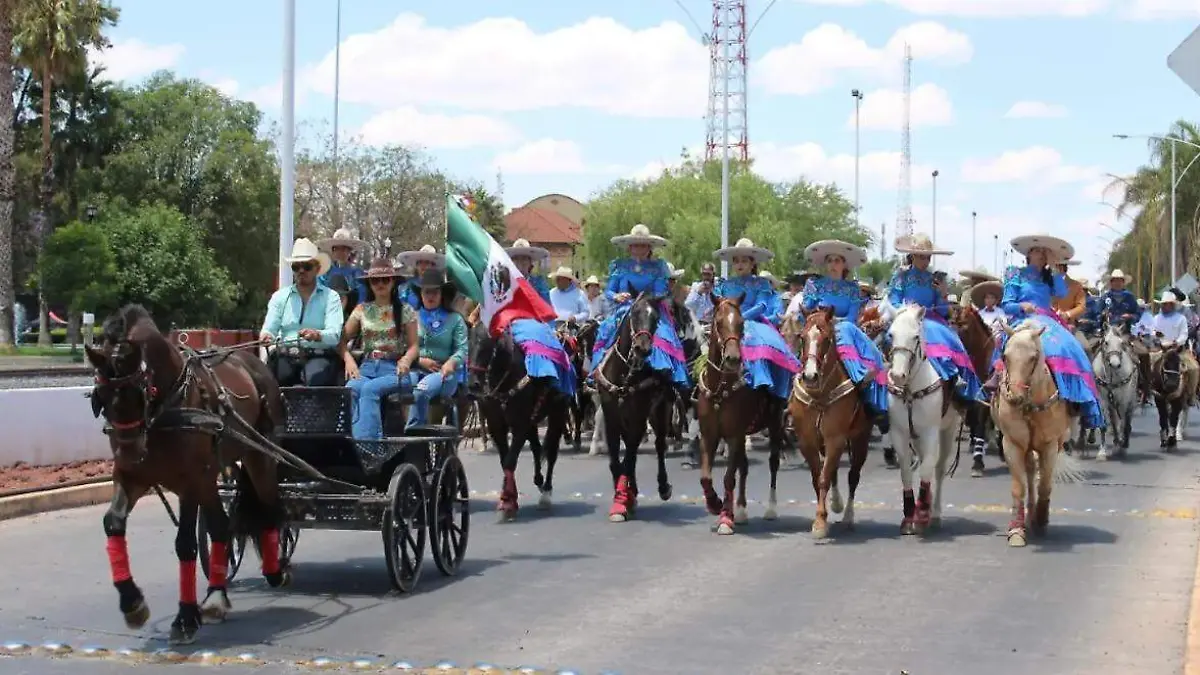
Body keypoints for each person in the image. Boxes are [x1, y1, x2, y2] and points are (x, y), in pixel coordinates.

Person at [982, 234, 1105, 431]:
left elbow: (1063, 294)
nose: (1042, 255)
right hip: (1022, 319)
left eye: (1045, 252)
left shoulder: (1049, 278)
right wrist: (1023, 306)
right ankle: (996, 380)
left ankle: (1076, 398)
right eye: (1039, 251)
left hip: (1048, 321)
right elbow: (1006, 305)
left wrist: (1055, 269)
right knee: (1006, 345)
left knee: (1070, 346)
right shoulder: (1016, 274)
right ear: (1029, 254)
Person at [885, 233, 985, 469]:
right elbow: (893, 299)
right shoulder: (900, 277)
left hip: (930, 320)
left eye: (928, 256)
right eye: (921, 256)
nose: (925, 260)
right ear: (912, 256)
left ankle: (957, 379)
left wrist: (941, 294)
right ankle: (881, 386)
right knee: (885, 341)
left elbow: (942, 309)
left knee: (951, 340)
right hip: (906, 319)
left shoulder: (936, 279)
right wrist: (907, 312)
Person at [799, 240, 889, 448]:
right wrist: (810, 302)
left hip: (843, 328)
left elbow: (850, 317)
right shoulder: (816, 285)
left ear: (844, 265)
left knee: (850, 333)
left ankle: (862, 380)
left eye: (837, 260)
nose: (833, 264)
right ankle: (792, 401)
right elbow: (807, 308)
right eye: (829, 260)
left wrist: (834, 323)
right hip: (818, 327)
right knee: (804, 344)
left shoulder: (851, 289)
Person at [591, 224, 691, 390]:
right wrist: (616, 296)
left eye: (643, 245)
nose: (639, 248)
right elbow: (609, 290)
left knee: (664, 332)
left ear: (649, 247)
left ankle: (666, 372)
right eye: (635, 244)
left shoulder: (658, 267)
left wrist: (645, 301)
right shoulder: (619, 266)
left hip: (651, 309)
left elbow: (661, 292)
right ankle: (598, 372)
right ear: (629, 247)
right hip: (624, 309)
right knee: (606, 329)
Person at [339, 259, 420, 440]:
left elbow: (414, 346)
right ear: (369, 284)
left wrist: (406, 360)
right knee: (351, 389)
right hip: (367, 367)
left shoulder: (406, 310)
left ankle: (369, 447)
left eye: (385, 280)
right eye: (375, 280)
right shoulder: (361, 310)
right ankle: (347, 445)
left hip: (394, 369)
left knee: (369, 390)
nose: (380, 284)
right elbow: (341, 340)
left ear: (393, 282)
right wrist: (349, 359)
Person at [712, 237, 801, 399]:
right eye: (736, 261)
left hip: (754, 321)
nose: (740, 264)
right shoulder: (723, 284)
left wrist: (740, 319)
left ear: (752, 264)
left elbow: (762, 306)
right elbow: (718, 306)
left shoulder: (761, 283)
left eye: (744, 261)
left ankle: (763, 381)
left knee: (759, 340)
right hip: (728, 323)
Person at [259, 238, 345, 386]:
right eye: (296, 267)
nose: (301, 271)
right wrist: (267, 336)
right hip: (284, 357)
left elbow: (334, 335)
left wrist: (317, 335)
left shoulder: (331, 297)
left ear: (317, 268)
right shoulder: (279, 297)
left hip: (319, 357)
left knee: (314, 379)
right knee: (269, 381)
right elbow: (269, 329)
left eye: (306, 266)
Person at [405, 270, 469, 429]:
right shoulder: (411, 317)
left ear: (442, 294)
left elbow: (462, 349)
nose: (430, 296)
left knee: (421, 391)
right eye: (427, 292)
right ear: (420, 294)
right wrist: (419, 360)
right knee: (397, 389)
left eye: (435, 292)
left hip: (443, 373)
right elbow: (403, 346)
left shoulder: (455, 319)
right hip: (414, 369)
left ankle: (413, 433)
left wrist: (451, 363)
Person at [317, 228, 368, 304]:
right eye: (336, 249)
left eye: (344, 249)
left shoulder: (358, 274)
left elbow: (362, 297)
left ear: (350, 251)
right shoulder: (325, 273)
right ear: (332, 251)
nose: (339, 252)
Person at [396, 245, 446, 309]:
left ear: (433, 266)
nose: (423, 265)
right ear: (416, 265)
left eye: (427, 262)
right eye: (420, 262)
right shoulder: (407, 285)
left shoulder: (440, 286)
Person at [1051, 259, 1087, 325]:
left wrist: (1067, 314)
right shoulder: (1046, 283)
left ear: (1060, 267)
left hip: (1067, 325)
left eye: (1052, 267)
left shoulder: (1076, 285)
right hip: (1047, 325)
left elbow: (1081, 307)